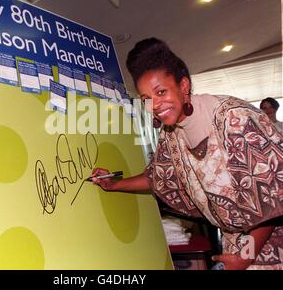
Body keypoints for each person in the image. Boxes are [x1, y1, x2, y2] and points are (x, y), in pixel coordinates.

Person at [92, 38, 283, 270]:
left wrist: (246, 255)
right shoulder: (171, 134)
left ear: (183, 86)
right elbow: (158, 177)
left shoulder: (235, 121)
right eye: (146, 100)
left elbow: (273, 198)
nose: (156, 105)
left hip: (271, 244)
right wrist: (114, 184)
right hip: (237, 247)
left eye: (161, 91)